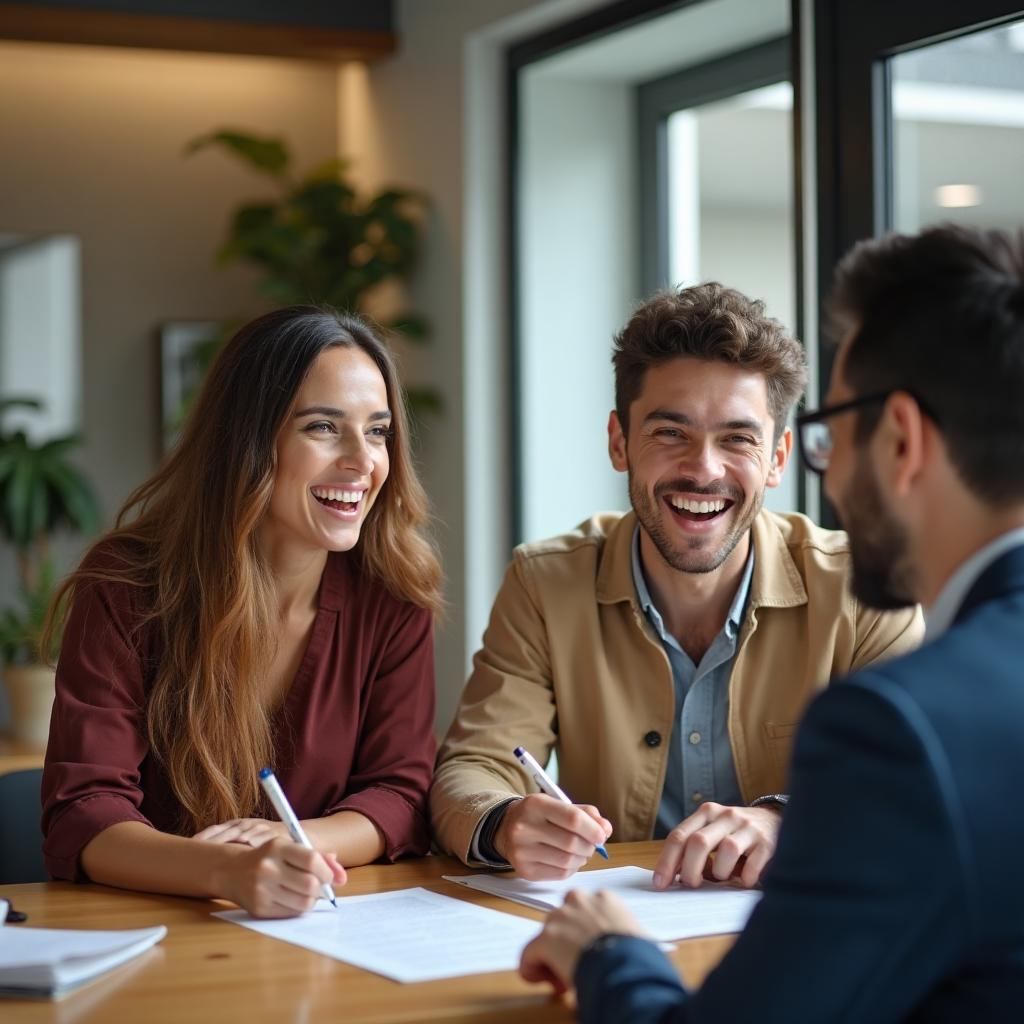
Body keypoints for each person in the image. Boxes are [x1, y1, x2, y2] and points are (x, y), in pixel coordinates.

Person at [519, 223, 1024, 1021]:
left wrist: (608, 954)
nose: (832, 469)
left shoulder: (899, 729)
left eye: (832, 432)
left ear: (900, 439)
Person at [431, 283, 921, 886]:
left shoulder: (866, 586)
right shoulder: (545, 583)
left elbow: (916, 777)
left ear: (777, 457)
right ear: (619, 442)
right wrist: (504, 821)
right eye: (670, 433)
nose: (704, 468)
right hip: (616, 925)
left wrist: (785, 821)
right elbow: (474, 767)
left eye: (738, 439)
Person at [42, 306, 442, 919]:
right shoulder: (125, 585)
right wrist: (228, 869)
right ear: (249, 441)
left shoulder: (393, 593)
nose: (364, 461)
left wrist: (288, 841)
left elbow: (400, 792)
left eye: (379, 431)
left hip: (326, 928)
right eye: (323, 428)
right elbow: (85, 809)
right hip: (150, 932)